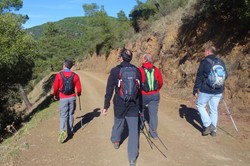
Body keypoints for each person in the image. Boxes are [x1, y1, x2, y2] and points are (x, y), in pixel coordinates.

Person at [102, 49, 141, 166]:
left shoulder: (115, 71)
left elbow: (109, 90)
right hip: (134, 104)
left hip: (119, 102)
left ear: (121, 58)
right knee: (134, 130)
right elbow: (140, 89)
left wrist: (106, 106)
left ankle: (116, 141)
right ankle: (132, 158)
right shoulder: (137, 71)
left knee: (119, 122)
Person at [193, 46, 227, 137]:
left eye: (205, 51)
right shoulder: (221, 62)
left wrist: (195, 89)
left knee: (200, 105)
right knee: (214, 109)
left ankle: (208, 125)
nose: (204, 53)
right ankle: (214, 130)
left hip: (206, 89)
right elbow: (226, 75)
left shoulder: (204, 62)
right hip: (218, 90)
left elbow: (199, 76)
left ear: (208, 52)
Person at [53, 59, 82, 143]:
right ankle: (70, 132)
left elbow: (55, 87)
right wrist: (79, 93)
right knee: (71, 114)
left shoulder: (59, 75)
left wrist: (55, 95)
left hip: (63, 98)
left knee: (63, 116)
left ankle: (62, 131)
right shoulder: (75, 75)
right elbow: (79, 88)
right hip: (72, 97)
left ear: (64, 66)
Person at [139, 54, 163, 139]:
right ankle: (153, 133)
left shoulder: (140, 70)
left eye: (142, 58)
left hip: (143, 94)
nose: (141, 60)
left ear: (145, 60)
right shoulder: (156, 69)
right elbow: (160, 82)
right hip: (155, 95)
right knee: (153, 114)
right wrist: (156, 90)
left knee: (140, 110)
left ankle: (141, 126)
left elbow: (137, 83)